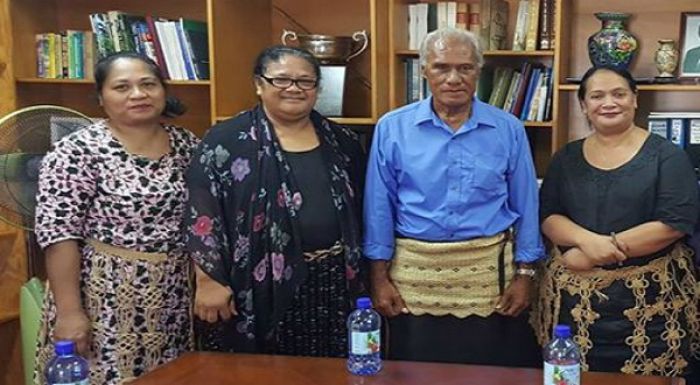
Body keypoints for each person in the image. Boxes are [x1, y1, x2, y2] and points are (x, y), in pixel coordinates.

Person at [363, 27, 544, 366]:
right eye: (441, 67)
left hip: (487, 277)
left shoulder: (508, 129)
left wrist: (525, 276)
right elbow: (378, 207)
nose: (453, 78)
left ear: (479, 70)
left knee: (487, 369)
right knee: (414, 369)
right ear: (424, 71)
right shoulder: (392, 128)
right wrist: (378, 278)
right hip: (413, 276)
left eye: (465, 68)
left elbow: (526, 206)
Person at [184, 45, 366, 356]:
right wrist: (208, 280)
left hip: (331, 282)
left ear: (317, 89)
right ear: (259, 84)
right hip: (252, 284)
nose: (294, 89)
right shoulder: (225, 141)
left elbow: (362, 210)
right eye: (281, 80)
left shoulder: (343, 142)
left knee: (325, 371)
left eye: (305, 81)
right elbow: (202, 215)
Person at [34, 52, 200, 384]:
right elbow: (58, 236)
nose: (138, 94)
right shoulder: (77, 151)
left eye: (148, 84)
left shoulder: (188, 145)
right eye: (122, 87)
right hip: (106, 297)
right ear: (101, 97)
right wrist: (69, 313)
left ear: (163, 91)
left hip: (175, 295)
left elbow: (205, 219)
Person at [535, 65, 700, 377]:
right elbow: (548, 216)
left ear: (635, 100)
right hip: (574, 310)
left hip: (650, 310)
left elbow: (674, 222)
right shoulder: (565, 157)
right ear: (583, 105)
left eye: (619, 94)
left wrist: (596, 251)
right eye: (597, 96)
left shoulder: (667, 155)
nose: (608, 102)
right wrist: (587, 241)